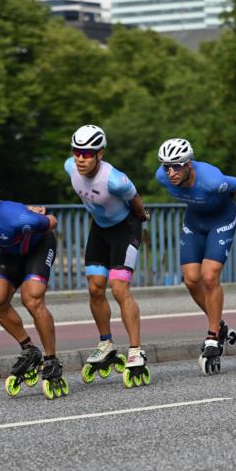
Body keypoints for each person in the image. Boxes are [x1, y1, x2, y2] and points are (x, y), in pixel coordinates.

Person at [0, 171, 68, 398]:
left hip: (38, 248)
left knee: (32, 299)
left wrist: (32, 214)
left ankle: (51, 359)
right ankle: (29, 350)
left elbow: (53, 221)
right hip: (10, 252)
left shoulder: (19, 218)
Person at [65, 124, 151, 387]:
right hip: (100, 230)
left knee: (119, 287)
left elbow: (136, 201)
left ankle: (136, 350)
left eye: (87, 153)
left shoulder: (114, 179)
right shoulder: (69, 167)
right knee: (95, 288)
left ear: (100, 154)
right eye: (76, 151)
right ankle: (106, 343)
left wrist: (143, 217)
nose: (80, 158)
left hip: (125, 228)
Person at [155, 138, 236, 374]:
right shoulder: (161, 176)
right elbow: (166, 174)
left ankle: (212, 336)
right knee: (191, 279)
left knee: (209, 276)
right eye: (166, 166)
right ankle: (220, 325)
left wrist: (226, 201)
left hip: (221, 220)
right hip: (194, 222)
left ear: (189, 165)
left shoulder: (212, 180)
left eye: (176, 166)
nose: (171, 172)